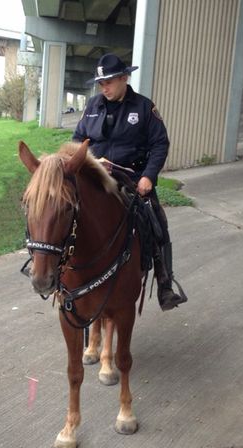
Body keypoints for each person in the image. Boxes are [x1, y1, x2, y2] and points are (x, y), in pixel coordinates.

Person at [73, 53, 187, 311]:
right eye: (101, 83)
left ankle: (165, 283)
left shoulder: (144, 107)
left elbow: (160, 144)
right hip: (95, 178)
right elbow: (77, 141)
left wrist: (148, 176)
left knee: (157, 221)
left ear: (124, 78)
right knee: (64, 212)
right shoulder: (92, 107)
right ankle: (60, 275)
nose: (104, 88)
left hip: (133, 179)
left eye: (109, 82)